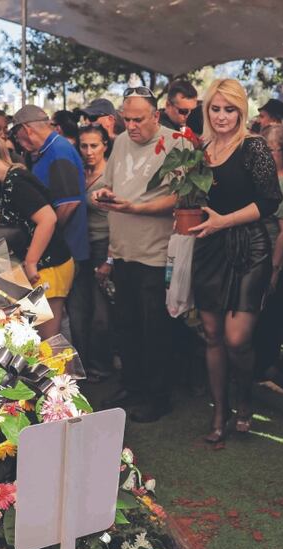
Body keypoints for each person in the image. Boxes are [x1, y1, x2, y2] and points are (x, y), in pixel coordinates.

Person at [188, 79, 282, 445]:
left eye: (230, 109)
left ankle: (244, 399)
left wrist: (222, 221)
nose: (223, 116)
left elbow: (270, 200)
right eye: (216, 108)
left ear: (242, 111)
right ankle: (219, 411)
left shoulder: (253, 147)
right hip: (209, 248)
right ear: (207, 110)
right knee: (211, 335)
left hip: (249, 249)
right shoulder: (200, 148)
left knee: (236, 338)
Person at [91, 87, 181, 422]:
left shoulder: (176, 143)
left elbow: (180, 199)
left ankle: (158, 396)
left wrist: (136, 207)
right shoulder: (120, 143)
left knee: (153, 329)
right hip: (123, 250)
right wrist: (104, 195)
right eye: (126, 119)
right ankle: (132, 385)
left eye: (138, 119)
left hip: (156, 254)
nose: (131, 126)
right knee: (126, 325)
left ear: (156, 116)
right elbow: (113, 185)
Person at [0, 137, 73, 338]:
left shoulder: (17, 183)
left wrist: (31, 261)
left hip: (48, 265)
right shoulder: (2, 185)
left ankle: (63, 369)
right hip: (33, 266)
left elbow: (48, 219)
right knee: (37, 332)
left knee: (48, 336)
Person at [11, 104, 90, 345]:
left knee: (65, 319)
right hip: (62, 248)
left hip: (68, 249)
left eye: (18, 138)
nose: (20, 145)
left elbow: (68, 203)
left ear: (25, 129)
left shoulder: (59, 151)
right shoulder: (48, 151)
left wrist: (47, 235)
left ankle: (72, 374)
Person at [254, 124, 283, 389]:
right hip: (274, 262)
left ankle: (265, 367)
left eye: (269, 150)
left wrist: (273, 270)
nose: (266, 156)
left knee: (272, 318)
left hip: (279, 265)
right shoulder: (281, 178)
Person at [78, 124, 114, 381]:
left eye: (94, 145)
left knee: (103, 313)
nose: (89, 151)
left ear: (105, 145)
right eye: (84, 146)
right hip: (80, 246)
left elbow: (120, 221)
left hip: (105, 245)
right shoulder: (78, 172)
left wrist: (110, 259)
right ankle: (84, 364)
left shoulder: (112, 174)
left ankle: (103, 366)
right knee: (81, 308)